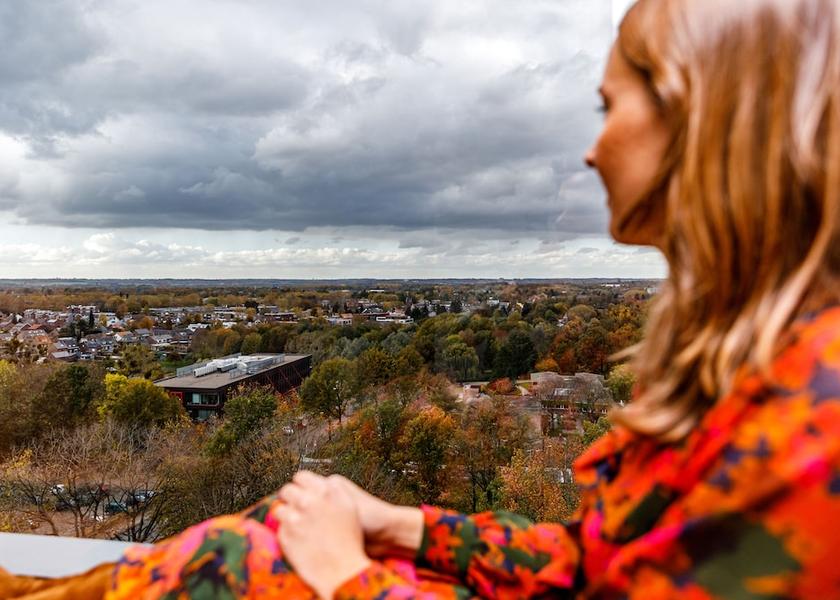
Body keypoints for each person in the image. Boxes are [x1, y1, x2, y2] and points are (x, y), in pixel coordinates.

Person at [3, 0, 840, 597]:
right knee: (267, 531)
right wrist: (403, 526)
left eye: (610, 105)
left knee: (256, 562)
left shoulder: (814, 416)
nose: (591, 149)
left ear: (708, 121)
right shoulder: (762, 362)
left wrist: (342, 572)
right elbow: (598, 562)